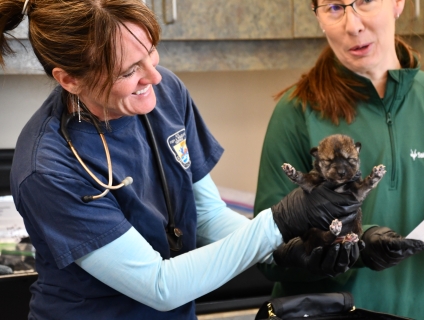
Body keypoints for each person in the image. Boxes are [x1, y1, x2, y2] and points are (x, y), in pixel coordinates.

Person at [0, 1, 365, 319]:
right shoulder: (49, 168)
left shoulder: (166, 93)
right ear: (70, 80)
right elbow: (160, 286)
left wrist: (283, 251)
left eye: (152, 52)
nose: (153, 76)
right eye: (129, 71)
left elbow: (206, 213)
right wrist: (281, 221)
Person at [254, 0, 424, 319]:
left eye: (365, 1)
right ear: (317, 15)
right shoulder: (296, 112)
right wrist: (350, 245)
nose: (352, 25)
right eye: (334, 7)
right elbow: (265, 251)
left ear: (398, 3)